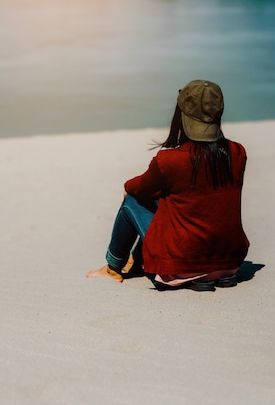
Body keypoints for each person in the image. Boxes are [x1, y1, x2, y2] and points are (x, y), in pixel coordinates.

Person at [87, 80, 249, 291]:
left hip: (182, 266)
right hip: (229, 263)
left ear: (181, 116)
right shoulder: (237, 153)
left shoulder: (170, 160)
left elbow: (137, 188)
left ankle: (113, 266)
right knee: (176, 199)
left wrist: (129, 188)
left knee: (131, 200)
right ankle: (137, 261)